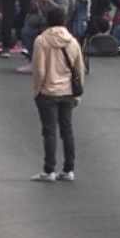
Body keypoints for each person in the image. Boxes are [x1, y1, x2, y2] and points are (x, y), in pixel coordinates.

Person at [29, 15, 86, 181]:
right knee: (67, 130)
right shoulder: (72, 41)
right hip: (67, 91)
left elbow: (39, 70)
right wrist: (78, 93)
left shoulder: (41, 41)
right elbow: (79, 68)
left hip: (47, 91)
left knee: (49, 131)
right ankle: (69, 169)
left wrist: (37, 90)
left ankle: (49, 170)